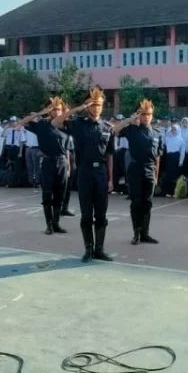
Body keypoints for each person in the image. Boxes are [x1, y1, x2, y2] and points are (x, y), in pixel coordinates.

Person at [52, 87, 115, 262]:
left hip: (101, 174)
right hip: (85, 173)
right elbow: (55, 123)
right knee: (86, 214)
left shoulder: (107, 128)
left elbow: (109, 155)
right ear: (88, 106)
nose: (96, 108)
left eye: (99, 105)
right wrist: (78, 108)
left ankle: (99, 249)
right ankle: (88, 248)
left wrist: (110, 178)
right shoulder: (78, 124)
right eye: (93, 105)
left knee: (101, 214)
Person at [113, 99, 164, 244]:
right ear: (138, 115)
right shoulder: (132, 130)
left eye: (149, 114)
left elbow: (158, 157)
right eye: (143, 114)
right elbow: (115, 130)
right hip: (135, 169)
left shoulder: (157, 134)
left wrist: (156, 175)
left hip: (149, 170)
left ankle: (145, 233)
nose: (146, 117)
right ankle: (136, 233)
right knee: (136, 202)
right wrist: (130, 119)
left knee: (147, 203)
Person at [20, 97, 72, 235]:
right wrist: (40, 113)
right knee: (47, 195)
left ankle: (56, 223)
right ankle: (48, 225)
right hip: (48, 163)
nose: (57, 111)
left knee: (59, 196)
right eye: (53, 109)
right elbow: (22, 122)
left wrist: (68, 166)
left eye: (59, 109)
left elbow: (66, 148)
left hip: (62, 162)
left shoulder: (65, 125)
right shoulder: (42, 125)